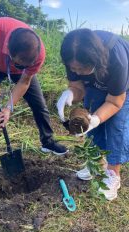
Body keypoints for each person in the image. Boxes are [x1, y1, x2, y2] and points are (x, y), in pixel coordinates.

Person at [0, 17, 67, 182]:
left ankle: (47, 141)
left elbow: (25, 81)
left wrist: (8, 108)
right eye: (19, 63)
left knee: (39, 104)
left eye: (26, 65)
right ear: (8, 50)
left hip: (20, 75)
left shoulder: (37, 54)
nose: (23, 66)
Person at [57, 29, 129, 200]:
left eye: (82, 68)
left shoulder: (116, 58)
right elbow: (78, 86)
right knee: (88, 120)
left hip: (123, 87)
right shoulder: (72, 57)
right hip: (96, 84)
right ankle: (96, 164)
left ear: (95, 60)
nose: (78, 71)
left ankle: (113, 175)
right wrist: (71, 93)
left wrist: (98, 118)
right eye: (74, 68)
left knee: (116, 126)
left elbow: (115, 101)